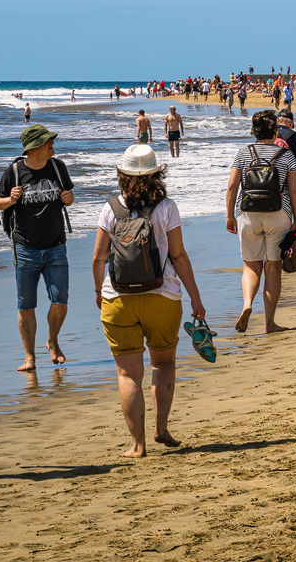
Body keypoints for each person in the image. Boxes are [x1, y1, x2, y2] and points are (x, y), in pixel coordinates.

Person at [91, 144, 208, 458]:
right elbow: (178, 255)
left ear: (122, 174)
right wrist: (196, 297)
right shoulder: (167, 207)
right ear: (157, 173)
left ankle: (137, 445)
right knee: (164, 363)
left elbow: (98, 258)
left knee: (128, 374)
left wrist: (99, 294)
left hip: (118, 299)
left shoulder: (109, 208)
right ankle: (162, 429)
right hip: (162, 296)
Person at [0, 124, 76, 372]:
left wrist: (69, 199)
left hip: (56, 245)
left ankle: (52, 341)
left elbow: (69, 196)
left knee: (60, 300)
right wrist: (10, 199)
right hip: (24, 247)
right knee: (26, 305)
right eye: (48, 141)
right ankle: (30, 357)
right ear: (34, 147)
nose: (53, 144)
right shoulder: (15, 171)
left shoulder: (58, 167)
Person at [223, 110, 296, 334]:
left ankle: (248, 304)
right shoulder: (286, 156)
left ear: (254, 131)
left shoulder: (243, 154)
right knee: (273, 267)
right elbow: (294, 191)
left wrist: (230, 215)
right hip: (278, 214)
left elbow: (232, 187)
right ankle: (269, 323)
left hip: (248, 214)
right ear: (275, 131)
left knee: (251, 265)